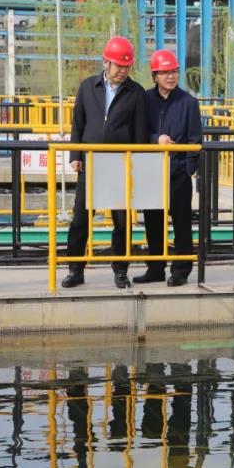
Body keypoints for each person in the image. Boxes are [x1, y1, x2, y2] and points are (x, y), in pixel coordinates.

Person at [61, 36, 148, 289]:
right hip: (91, 162)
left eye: (127, 66)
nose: (123, 71)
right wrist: (75, 155)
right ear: (105, 62)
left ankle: (120, 270)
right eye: (118, 65)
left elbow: (140, 134)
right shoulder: (88, 87)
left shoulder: (136, 92)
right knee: (81, 219)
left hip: (121, 164)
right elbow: (78, 123)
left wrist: (137, 167)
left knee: (122, 221)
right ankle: (75, 269)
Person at [136, 49, 202, 287]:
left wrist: (188, 169)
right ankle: (155, 267)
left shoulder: (188, 103)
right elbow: (139, 132)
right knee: (153, 221)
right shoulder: (143, 100)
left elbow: (195, 139)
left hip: (178, 173)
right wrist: (156, 140)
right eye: (165, 73)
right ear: (155, 75)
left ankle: (181, 269)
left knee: (182, 222)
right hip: (151, 170)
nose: (171, 77)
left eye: (174, 72)